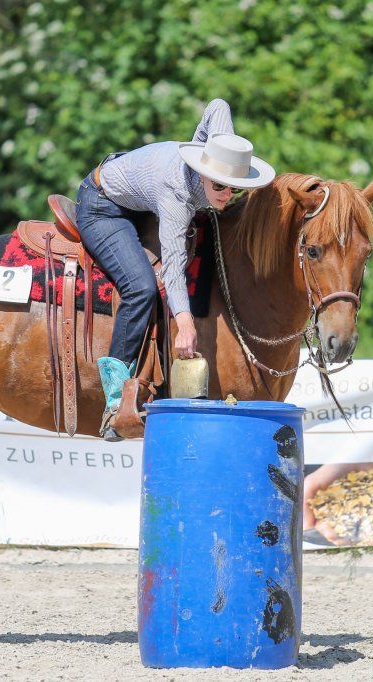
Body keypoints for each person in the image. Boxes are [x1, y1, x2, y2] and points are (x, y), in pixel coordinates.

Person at [74, 99, 275, 440]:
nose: (227, 195)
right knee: (141, 287)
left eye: (235, 187)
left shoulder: (217, 154)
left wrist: (202, 142)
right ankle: (115, 402)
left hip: (138, 193)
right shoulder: (177, 194)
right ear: (201, 172)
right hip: (103, 207)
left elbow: (218, 106)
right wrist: (184, 322)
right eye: (220, 186)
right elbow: (173, 265)